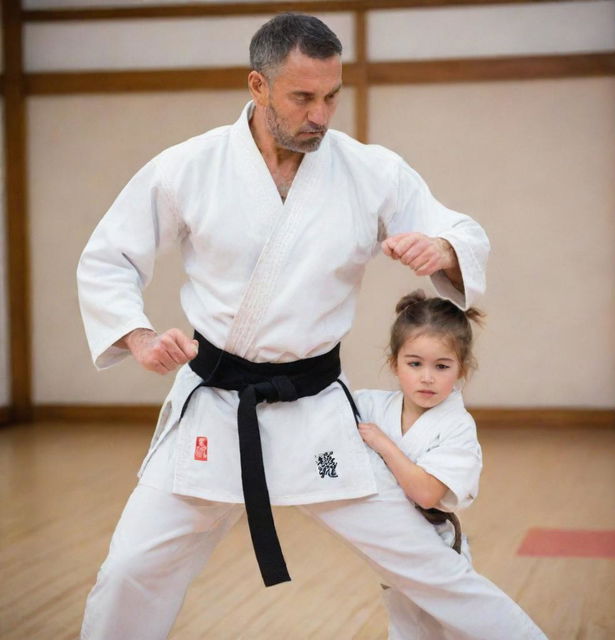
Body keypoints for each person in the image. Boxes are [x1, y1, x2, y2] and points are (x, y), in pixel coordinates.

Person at [76, 12, 544, 639]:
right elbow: (110, 257)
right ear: (257, 86)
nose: (321, 115)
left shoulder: (369, 170)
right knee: (132, 569)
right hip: (216, 406)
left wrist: (442, 248)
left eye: (331, 97)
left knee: (431, 567)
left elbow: (459, 229)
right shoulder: (188, 167)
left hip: (317, 412)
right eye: (303, 97)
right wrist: (137, 336)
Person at [356, 290, 544, 638]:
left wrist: (384, 446)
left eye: (441, 366)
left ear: (462, 369)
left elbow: (427, 493)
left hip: (436, 544)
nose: (427, 377)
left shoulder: (457, 426)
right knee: (408, 628)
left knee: (464, 629)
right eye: (415, 364)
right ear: (394, 362)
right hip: (392, 544)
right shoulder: (371, 406)